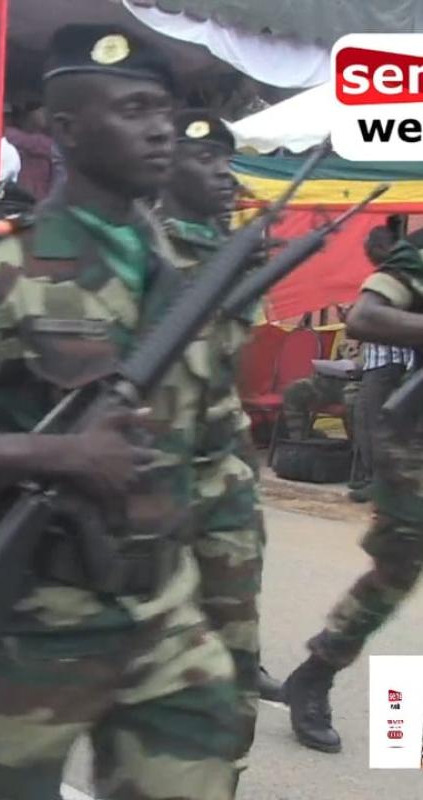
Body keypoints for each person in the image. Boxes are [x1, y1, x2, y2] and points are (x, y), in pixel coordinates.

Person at [0, 27, 238, 798]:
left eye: (162, 108)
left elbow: (219, 450)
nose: (160, 127)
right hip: (38, 618)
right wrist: (53, 456)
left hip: (164, 616)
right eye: (132, 109)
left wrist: (233, 616)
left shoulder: (183, 273)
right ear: (64, 129)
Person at [156, 109, 270, 773]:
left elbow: (227, 357)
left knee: (233, 659)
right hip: (145, 480)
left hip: (222, 476)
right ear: (166, 168)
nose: (223, 174)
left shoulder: (230, 246)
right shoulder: (134, 247)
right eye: (204, 159)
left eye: (227, 160)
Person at [281, 226, 423, 754]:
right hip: (416, 442)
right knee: (398, 568)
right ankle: (317, 673)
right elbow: (365, 317)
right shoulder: (418, 253)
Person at [348, 228, 413, 503]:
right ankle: (373, 478)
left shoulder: (402, 276)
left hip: (388, 365)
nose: (368, 257)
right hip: (377, 364)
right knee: (365, 419)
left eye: (370, 251)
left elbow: (381, 322)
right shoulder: (388, 278)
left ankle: (380, 483)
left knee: (375, 424)